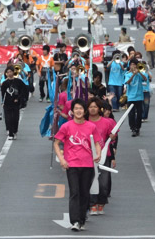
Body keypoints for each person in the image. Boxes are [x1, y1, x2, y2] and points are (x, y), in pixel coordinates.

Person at [54, 98, 101, 231]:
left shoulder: (91, 126)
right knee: (74, 192)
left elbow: (97, 142)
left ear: (84, 111)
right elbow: (56, 143)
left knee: (84, 193)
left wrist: (98, 154)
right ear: (72, 111)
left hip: (88, 165)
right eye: (76, 109)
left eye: (81, 109)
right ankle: (75, 221)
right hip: (72, 165)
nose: (79, 111)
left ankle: (81, 219)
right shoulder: (66, 126)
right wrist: (62, 159)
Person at [86, 97, 116, 216]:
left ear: (99, 109)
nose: (93, 109)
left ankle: (101, 202)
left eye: (95, 107)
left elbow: (112, 138)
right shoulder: (84, 121)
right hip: (88, 157)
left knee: (103, 183)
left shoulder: (107, 122)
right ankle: (92, 204)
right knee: (91, 181)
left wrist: (112, 138)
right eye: (90, 107)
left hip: (104, 156)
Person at [1, 66, 26, 140]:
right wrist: (2, 102)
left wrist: (18, 98)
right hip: (7, 103)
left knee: (15, 118)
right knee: (8, 119)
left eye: (10, 72)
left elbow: (23, 90)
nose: (9, 73)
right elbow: (3, 93)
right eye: (7, 72)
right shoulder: (5, 83)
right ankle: (10, 134)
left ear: (13, 72)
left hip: (16, 103)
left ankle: (15, 131)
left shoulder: (18, 81)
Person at [124, 59, 147, 137]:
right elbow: (128, 82)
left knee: (140, 113)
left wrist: (139, 72)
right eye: (131, 64)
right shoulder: (127, 74)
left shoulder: (140, 74)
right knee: (131, 114)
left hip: (139, 97)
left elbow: (145, 79)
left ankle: (138, 128)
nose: (133, 66)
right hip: (131, 97)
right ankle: (133, 128)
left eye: (134, 64)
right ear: (129, 66)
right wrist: (133, 74)